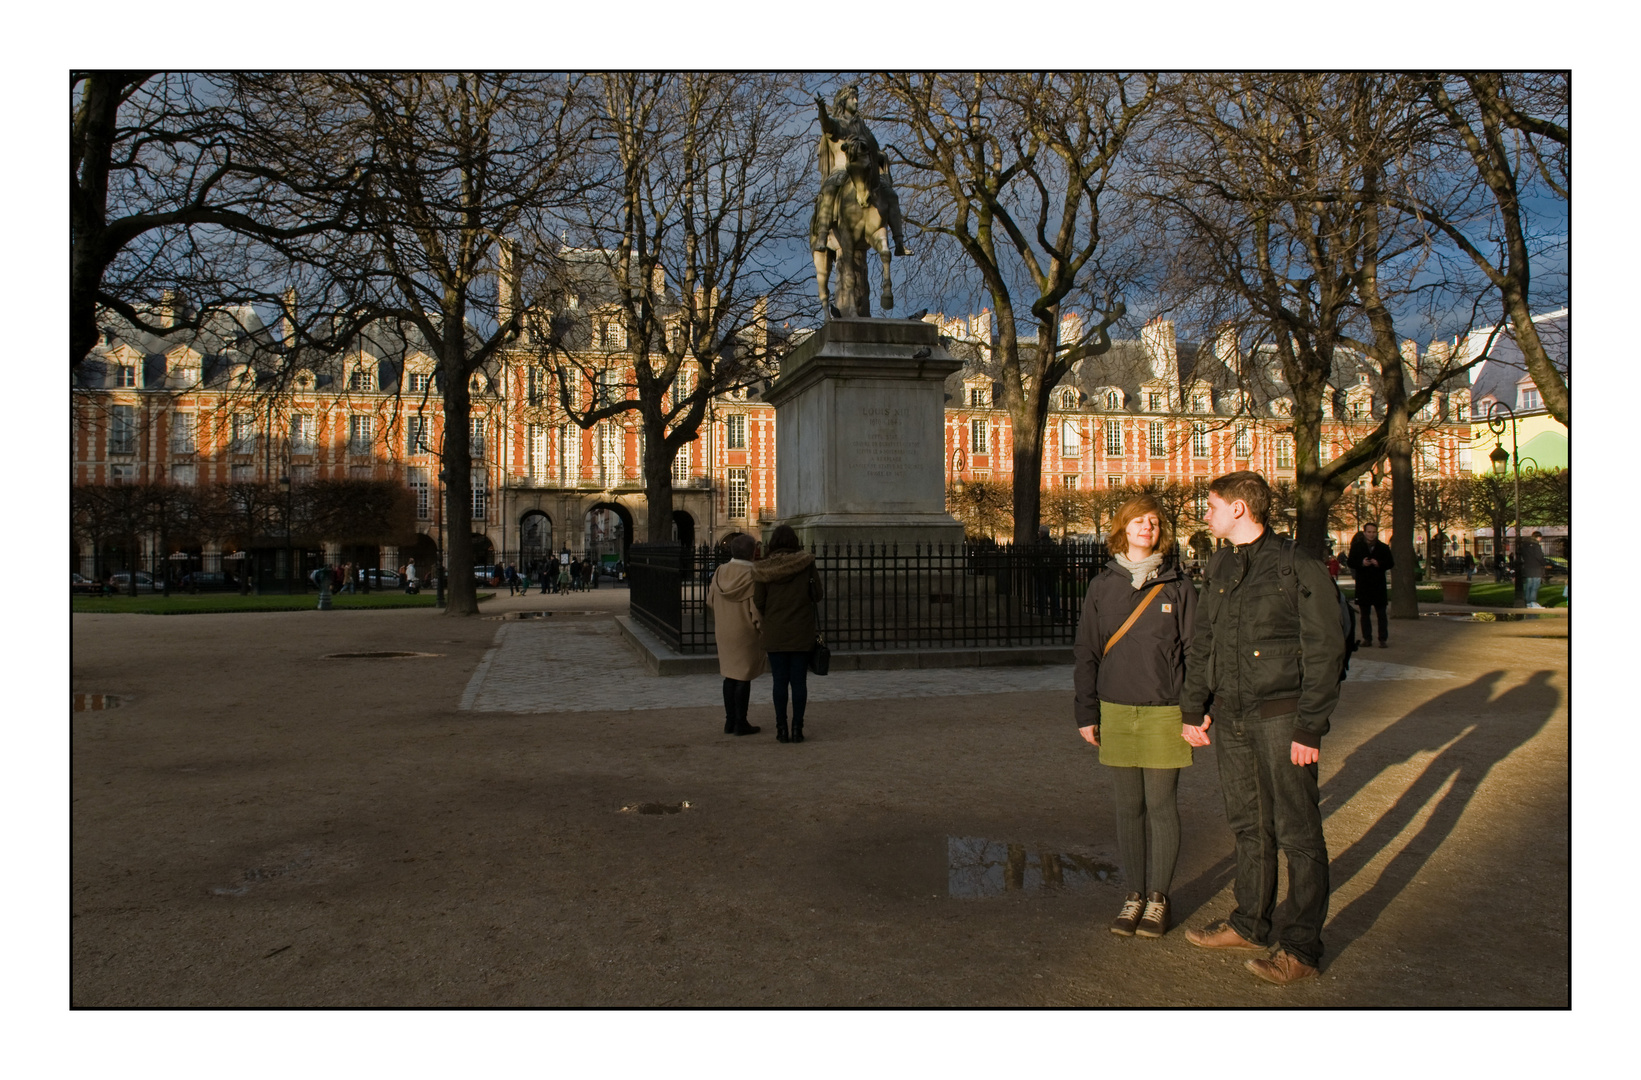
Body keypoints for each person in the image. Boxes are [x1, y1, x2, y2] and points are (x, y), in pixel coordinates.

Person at [1179, 471, 1346, 986]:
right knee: (1249, 825)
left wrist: (1310, 728)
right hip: (1230, 715)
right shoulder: (1221, 562)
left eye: (1212, 506)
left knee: (1298, 833)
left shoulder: (1296, 566)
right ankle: (1251, 923)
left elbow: (1326, 650)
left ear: (1239, 510)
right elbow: (1204, 639)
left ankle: (1300, 946)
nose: (1206, 515)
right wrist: (1194, 706)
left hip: (1282, 717)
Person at [1073, 494, 1198, 939]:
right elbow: (1087, 651)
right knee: (1129, 807)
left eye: (1153, 521)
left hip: (1165, 710)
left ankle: (1159, 897)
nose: (1147, 526)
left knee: (1162, 806)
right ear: (1122, 528)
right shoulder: (1102, 585)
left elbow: (1196, 652)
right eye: (1138, 520)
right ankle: (1133, 894)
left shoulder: (1179, 586)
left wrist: (1196, 711)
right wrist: (1086, 710)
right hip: (1116, 709)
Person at [753, 525, 825, 744]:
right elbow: (818, 594)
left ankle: (781, 728)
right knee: (799, 683)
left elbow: (759, 602)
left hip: (776, 632)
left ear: (772, 543)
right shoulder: (805, 564)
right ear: (794, 541)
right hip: (801, 631)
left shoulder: (763, 568)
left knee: (779, 682)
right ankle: (798, 728)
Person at [706, 533, 764, 737]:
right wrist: (762, 629)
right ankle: (741, 722)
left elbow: (711, 601)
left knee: (729, 676)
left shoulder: (720, 571)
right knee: (743, 678)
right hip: (745, 631)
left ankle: (729, 721)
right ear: (752, 552)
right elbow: (756, 610)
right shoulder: (753, 575)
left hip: (724, 630)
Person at [1346, 523, 1393, 648]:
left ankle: (1383, 639)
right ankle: (1367, 638)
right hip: (1364, 584)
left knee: (1381, 614)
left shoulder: (1383, 547)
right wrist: (1361, 563)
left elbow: (1390, 563)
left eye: (1374, 532)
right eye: (1369, 532)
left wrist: (1379, 563)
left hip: (1378, 585)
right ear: (1365, 533)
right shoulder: (1357, 547)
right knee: (1364, 614)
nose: (1371, 534)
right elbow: (1350, 562)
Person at [1521, 531, 1547, 607]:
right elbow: (1539, 557)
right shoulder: (1536, 546)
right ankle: (1533, 602)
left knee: (1529, 586)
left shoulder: (1525, 546)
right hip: (1536, 568)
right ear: (1537, 537)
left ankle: (1528, 602)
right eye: (1540, 537)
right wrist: (1544, 563)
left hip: (1528, 567)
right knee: (1535, 586)